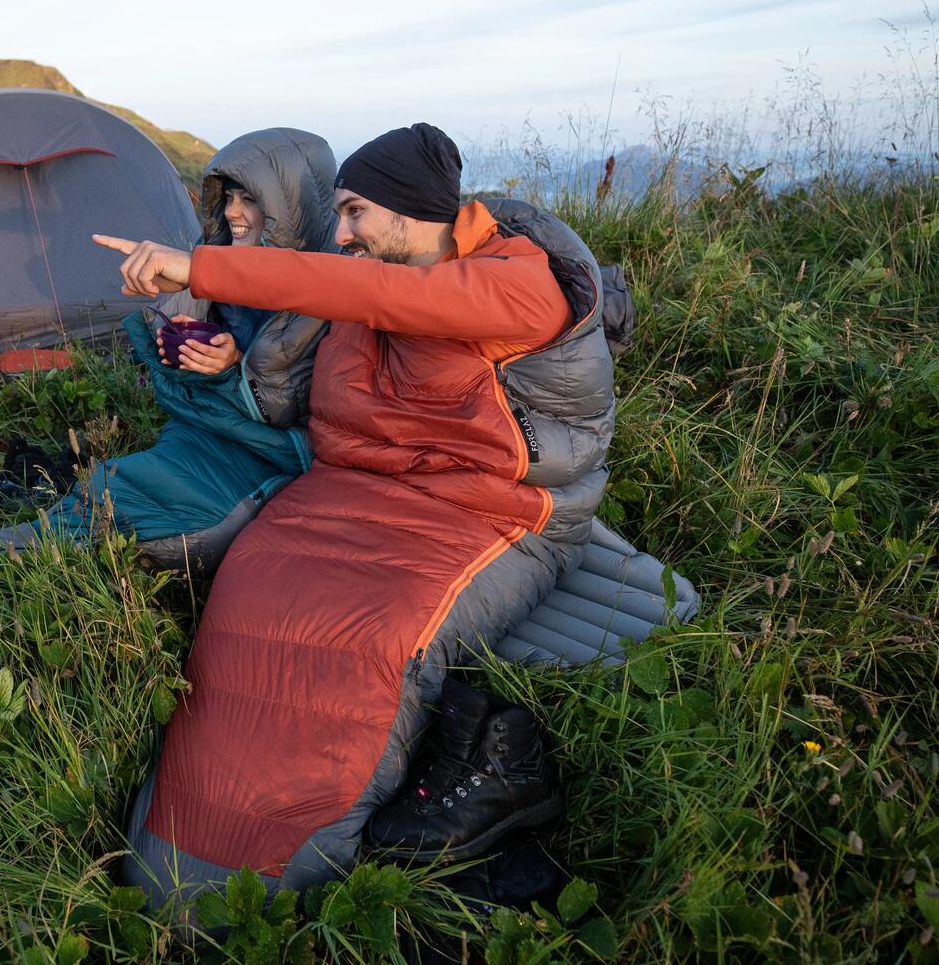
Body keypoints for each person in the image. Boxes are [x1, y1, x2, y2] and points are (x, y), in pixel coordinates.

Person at [101, 124, 620, 915]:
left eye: (353, 214)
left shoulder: (516, 282)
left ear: (412, 211)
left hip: (487, 513)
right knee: (252, 588)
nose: (340, 235)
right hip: (348, 493)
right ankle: (182, 852)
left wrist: (199, 263)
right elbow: (301, 390)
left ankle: (269, 880)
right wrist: (226, 355)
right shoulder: (376, 268)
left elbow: (395, 301)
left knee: (367, 638)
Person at [0, 128, 337, 573]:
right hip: (204, 428)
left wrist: (233, 366)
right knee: (121, 479)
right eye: (229, 197)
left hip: (269, 451)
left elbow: (302, 404)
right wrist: (182, 318)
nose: (233, 212)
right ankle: (52, 533)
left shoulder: (334, 293)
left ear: (289, 209)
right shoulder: (217, 260)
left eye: (250, 199)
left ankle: (43, 552)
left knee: (192, 517)